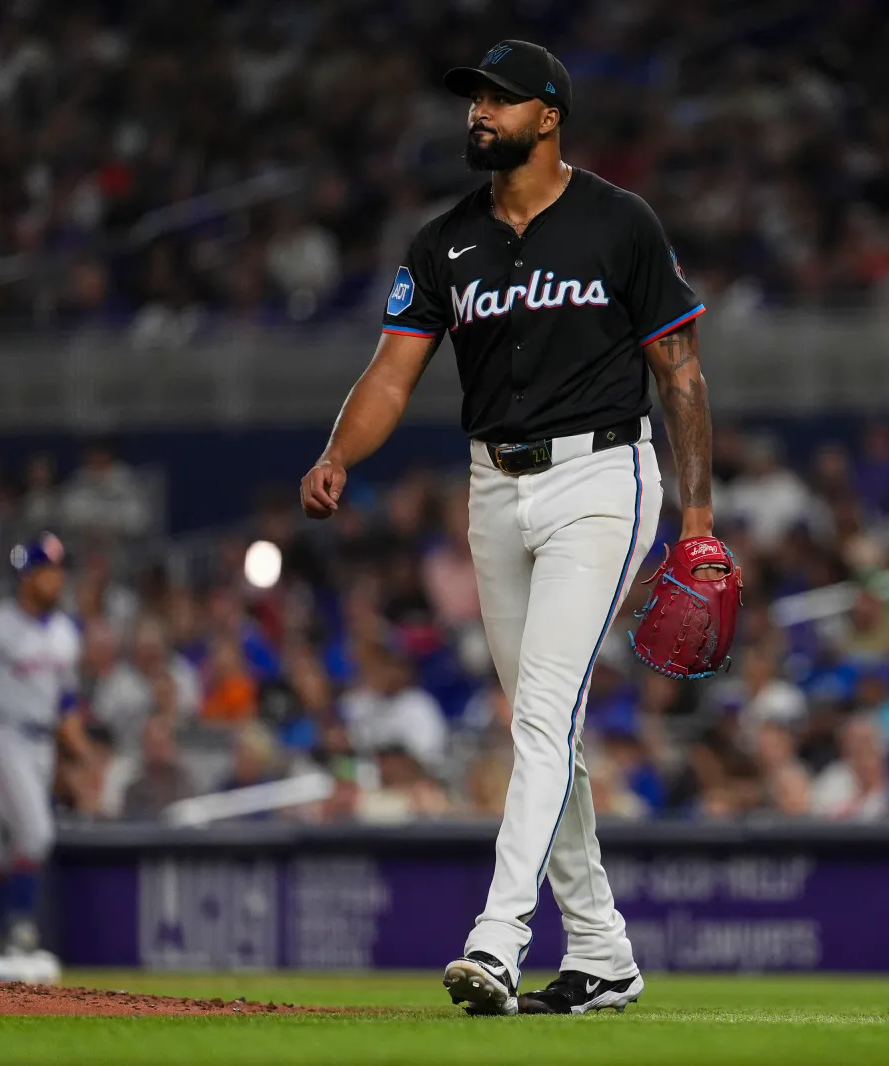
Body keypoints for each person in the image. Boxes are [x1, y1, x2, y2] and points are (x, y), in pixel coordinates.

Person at [300, 40, 718, 1017]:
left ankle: (497, 939)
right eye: (474, 99)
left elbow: (681, 371)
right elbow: (393, 371)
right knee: (545, 726)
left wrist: (697, 520)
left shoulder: (619, 221)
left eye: (499, 99)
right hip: (493, 487)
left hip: (601, 477)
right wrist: (338, 454)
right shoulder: (445, 241)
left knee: (538, 716)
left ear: (549, 115)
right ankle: (603, 952)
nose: (479, 113)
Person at [0, 533, 90, 955]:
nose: (57, 578)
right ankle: (20, 926)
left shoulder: (66, 632)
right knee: (35, 834)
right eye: (48, 570)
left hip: (44, 744)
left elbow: (66, 702)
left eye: (59, 570)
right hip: (4, 735)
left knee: (1, 843)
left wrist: (78, 750)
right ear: (27, 575)